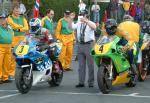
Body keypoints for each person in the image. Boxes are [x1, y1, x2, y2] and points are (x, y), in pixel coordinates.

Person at [71, 10, 96, 87]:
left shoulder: (90, 23)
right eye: (80, 15)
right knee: (81, 65)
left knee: (90, 65)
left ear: (86, 15)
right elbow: (71, 27)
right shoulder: (79, 23)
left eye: (82, 15)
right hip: (80, 45)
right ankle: (81, 82)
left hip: (89, 44)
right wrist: (71, 19)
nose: (80, 16)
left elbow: (94, 27)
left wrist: (86, 21)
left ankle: (91, 82)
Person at [8, 4, 29, 79]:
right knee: (12, 57)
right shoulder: (9, 18)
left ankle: (22, 72)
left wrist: (19, 29)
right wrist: (21, 27)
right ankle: (11, 73)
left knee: (23, 56)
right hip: (14, 39)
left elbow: (26, 27)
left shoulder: (22, 18)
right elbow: (13, 26)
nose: (17, 11)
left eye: (18, 10)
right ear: (13, 10)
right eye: (16, 10)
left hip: (22, 39)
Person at [0, 11, 14, 84]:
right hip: (0, 47)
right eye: (1, 18)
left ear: (6, 19)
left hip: (8, 47)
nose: (2, 20)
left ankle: (5, 77)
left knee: (7, 63)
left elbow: (12, 36)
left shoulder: (9, 27)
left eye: (4, 18)